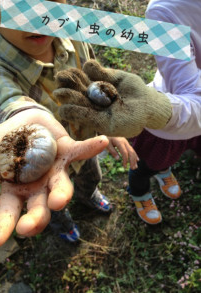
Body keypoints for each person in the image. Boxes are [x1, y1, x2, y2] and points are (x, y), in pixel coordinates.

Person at [0, 0, 139, 248]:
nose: (38, 14)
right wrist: (25, 114)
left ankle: (88, 195)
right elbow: (8, 101)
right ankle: (63, 223)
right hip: (47, 173)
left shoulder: (73, 30)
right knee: (55, 201)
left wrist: (109, 126)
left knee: (91, 176)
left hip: (84, 144)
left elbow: (92, 83)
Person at [53, 0, 201, 224]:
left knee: (164, 159)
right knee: (145, 165)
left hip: (184, 118)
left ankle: (163, 171)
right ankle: (140, 192)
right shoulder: (167, 10)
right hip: (170, 122)